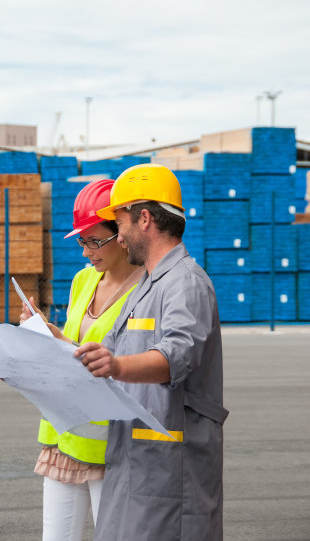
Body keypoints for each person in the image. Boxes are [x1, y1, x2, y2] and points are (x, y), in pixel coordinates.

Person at [74, 163, 229, 541]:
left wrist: (117, 366)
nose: (119, 236)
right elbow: (105, 354)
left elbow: (177, 355)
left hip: (171, 471)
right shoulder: (146, 285)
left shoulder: (185, 282)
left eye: (121, 222)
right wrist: (35, 351)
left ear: (144, 219)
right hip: (136, 462)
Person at [19, 179, 144, 541]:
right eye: (81, 239)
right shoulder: (83, 280)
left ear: (121, 233)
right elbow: (75, 344)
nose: (86, 250)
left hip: (109, 441)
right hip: (64, 432)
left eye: (95, 239)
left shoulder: (147, 290)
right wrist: (43, 332)